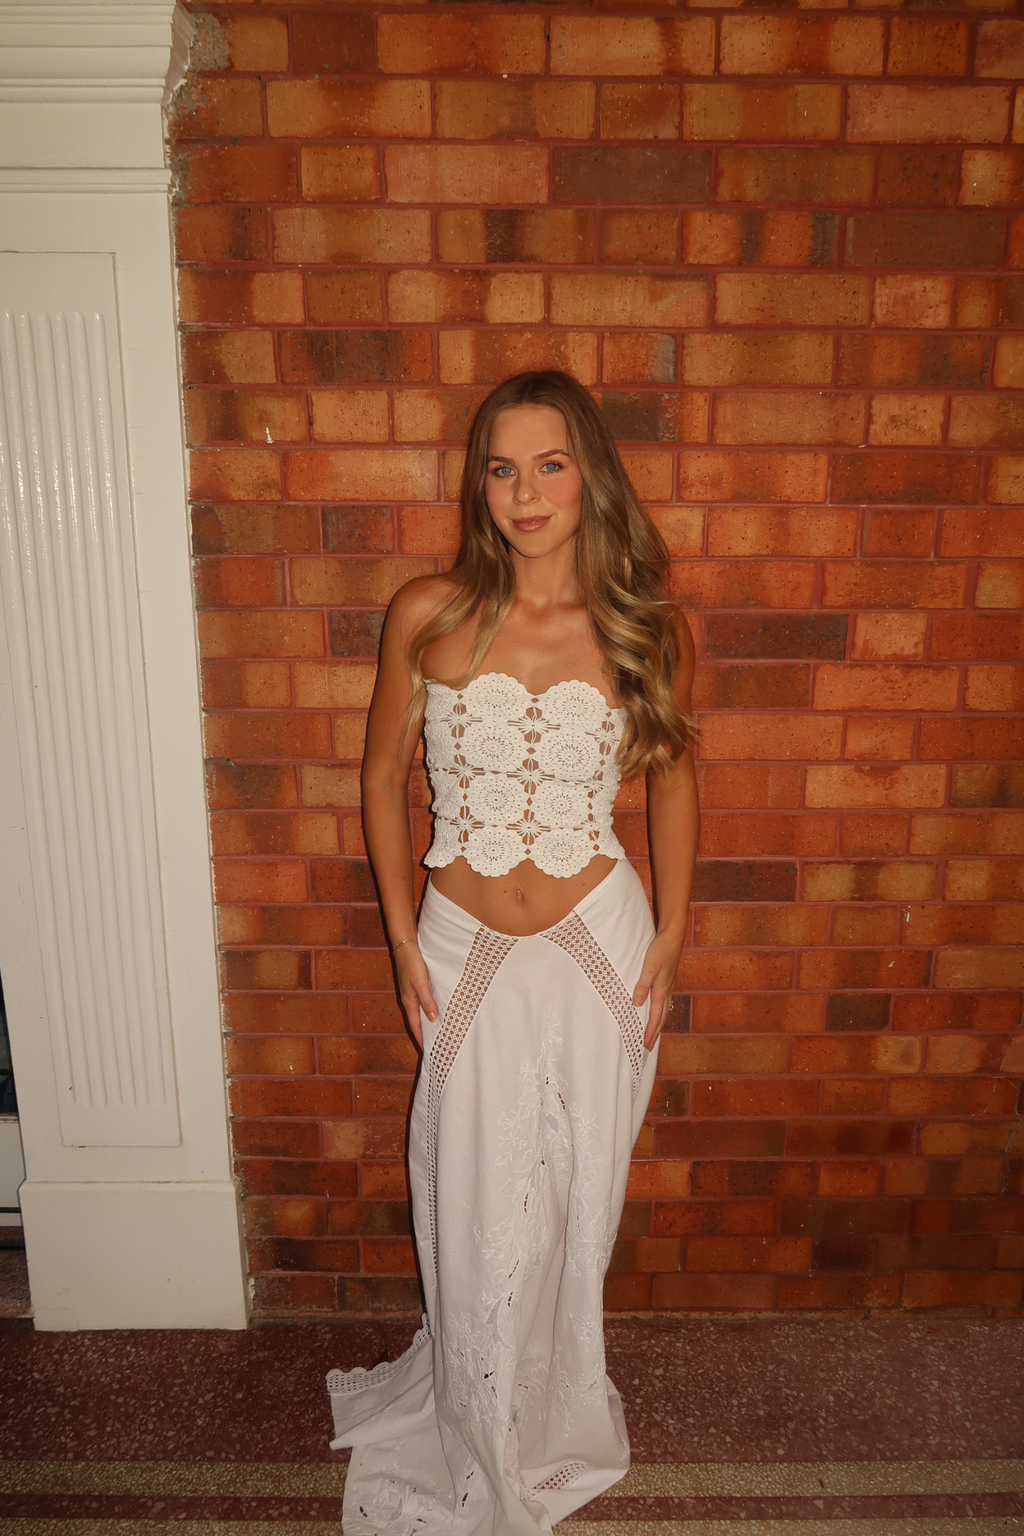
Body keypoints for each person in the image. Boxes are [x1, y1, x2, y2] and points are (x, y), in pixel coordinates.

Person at [327, 370, 699, 1536]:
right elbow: (381, 780)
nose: (524, 493)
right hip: (463, 947)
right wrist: (400, 937)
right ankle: (477, 1418)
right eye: (501, 468)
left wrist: (675, 929)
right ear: (477, 484)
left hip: (598, 948)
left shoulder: (644, 625)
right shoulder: (427, 614)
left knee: (575, 1197)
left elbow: (674, 779)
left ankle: (544, 1410)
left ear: (589, 477)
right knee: (473, 1193)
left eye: (548, 465)